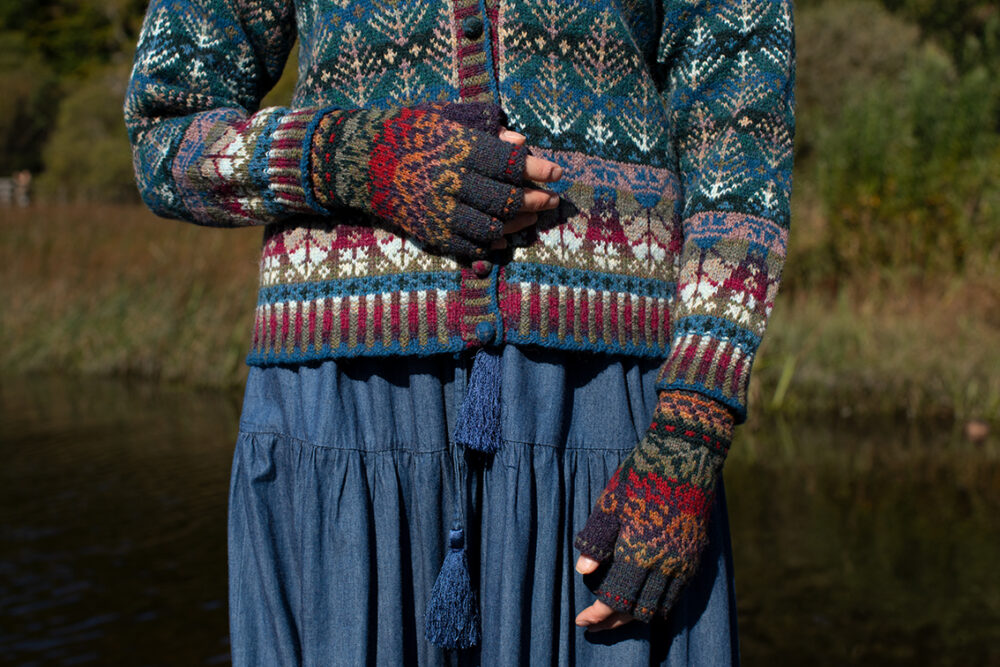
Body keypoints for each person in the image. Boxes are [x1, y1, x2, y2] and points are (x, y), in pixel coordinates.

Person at [124, 0, 795, 664]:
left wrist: (693, 430)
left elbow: (743, 158)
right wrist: (356, 156)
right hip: (339, 413)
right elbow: (165, 137)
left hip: (605, 417)